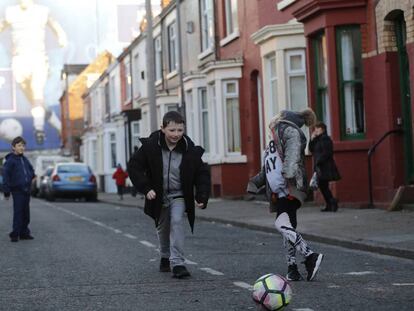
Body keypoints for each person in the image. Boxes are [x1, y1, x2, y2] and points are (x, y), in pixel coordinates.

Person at [127, 111, 210, 279]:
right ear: (163, 129)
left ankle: (178, 263)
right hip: (158, 195)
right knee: (163, 227)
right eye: (172, 130)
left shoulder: (189, 149)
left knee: (177, 221)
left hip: (179, 194)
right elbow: (134, 167)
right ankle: (165, 255)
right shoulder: (151, 146)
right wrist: (146, 188)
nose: (176, 134)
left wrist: (201, 195)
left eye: (180, 130)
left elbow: (201, 173)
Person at [247, 109, 324, 282]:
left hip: (289, 188)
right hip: (280, 191)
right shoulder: (275, 139)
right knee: (288, 227)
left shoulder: (287, 130)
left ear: (279, 119)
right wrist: (256, 182)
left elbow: (293, 153)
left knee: (281, 223)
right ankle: (292, 268)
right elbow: (267, 166)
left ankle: (310, 255)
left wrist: (289, 173)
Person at [0, 0, 67, 144]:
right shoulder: (11, 12)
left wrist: (61, 36)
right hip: (19, 60)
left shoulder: (42, 11)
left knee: (37, 93)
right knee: (35, 101)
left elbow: (53, 23)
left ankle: (39, 129)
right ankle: (59, 126)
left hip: (37, 57)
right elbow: (2, 25)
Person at [2, 136, 35, 242]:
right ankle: (15, 234)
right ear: (13, 147)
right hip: (17, 191)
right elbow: (6, 176)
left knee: (26, 213)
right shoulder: (10, 161)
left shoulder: (24, 159)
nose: (22, 148)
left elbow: (31, 170)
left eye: (23, 146)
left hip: (26, 189)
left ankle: (24, 233)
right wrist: (6, 191)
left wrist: (31, 176)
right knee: (18, 212)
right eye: (19, 145)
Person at [308, 122, 341, 212]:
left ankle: (332, 203)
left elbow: (327, 153)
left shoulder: (325, 139)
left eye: (317, 129)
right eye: (315, 129)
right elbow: (311, 149)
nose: (315, 131)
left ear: (322, 129)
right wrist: (311, 139)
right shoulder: (317, 139)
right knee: (323, 186)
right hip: (319, 166)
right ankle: (330, 204)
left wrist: (319, 161)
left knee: (323, 185)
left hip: (325, 166)